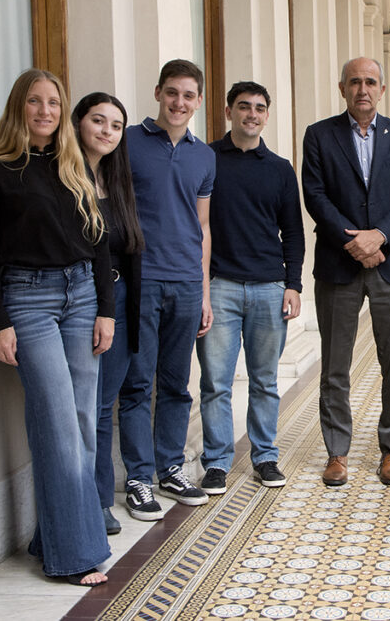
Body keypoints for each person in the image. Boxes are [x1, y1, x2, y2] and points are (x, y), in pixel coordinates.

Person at [0, 69, 113, 587]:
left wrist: (106, 310)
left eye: (53, 102)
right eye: (35, 101)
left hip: (82, 297)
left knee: (82, 420)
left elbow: (99, 245)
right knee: (57, 423)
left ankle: (57, 535)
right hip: (27, 300)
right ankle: (74, 555)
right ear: (18, 107)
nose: (46, 111)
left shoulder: (73, 166)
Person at [302, 57, 390, 486]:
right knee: (335, 363)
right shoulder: (319, 135)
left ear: (382, 89)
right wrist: (353, 242)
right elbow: (315, 195)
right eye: (354, 82)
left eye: (370, 81)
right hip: (339, 263)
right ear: (342, 89)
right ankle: (337, 452)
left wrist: (380, 238)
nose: (363, 89)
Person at [119, 59, 216, 520]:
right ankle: (137, 477)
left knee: (176, 385)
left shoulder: (204, 154)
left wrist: (204, 292)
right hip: (141, 281)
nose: (180, 102)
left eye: (189, 95)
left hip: (185, 282)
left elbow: (203, 224)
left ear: (198, 101)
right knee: (137, 382)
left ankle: (170, 468)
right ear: (158, 92)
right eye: (172, 92)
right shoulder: (129, 141)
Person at [197, 81, 304, 493]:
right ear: (228, 112)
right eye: (244, 107)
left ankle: (265, 456)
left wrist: (292, 285)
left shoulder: (279, 168)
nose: (252, 114)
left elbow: (293, 233)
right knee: (216, 383)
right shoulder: (206, 158)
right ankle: (217, 463)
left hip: (268, 288)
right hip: (219, 285)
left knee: (264, 380)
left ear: (267, 115)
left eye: (260, 108)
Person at [73, 92, 144, 538]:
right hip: (81, 301)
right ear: (78, 123)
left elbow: (129, 249)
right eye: (98, 121)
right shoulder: (67, 177)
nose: (106, 131)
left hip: (116, 300)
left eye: (115, 126)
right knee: (82, 409)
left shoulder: (115, 183)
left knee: (102, 408)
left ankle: (99, 500)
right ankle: (87, 503)